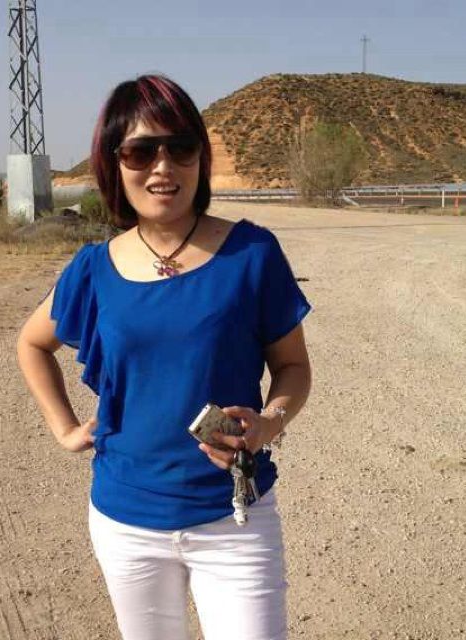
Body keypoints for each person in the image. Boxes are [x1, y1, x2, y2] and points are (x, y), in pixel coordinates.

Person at [17, 73, 312, 640]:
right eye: (140, 151)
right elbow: (32, 343)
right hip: (126, 524)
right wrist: (65, 429)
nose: (162, 166)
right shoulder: (93, 268)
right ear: (113, 162)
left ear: (200, 157)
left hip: (234, 520)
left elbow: (293, 367)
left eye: (180, 147)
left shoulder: (252, 253)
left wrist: (269, 422)